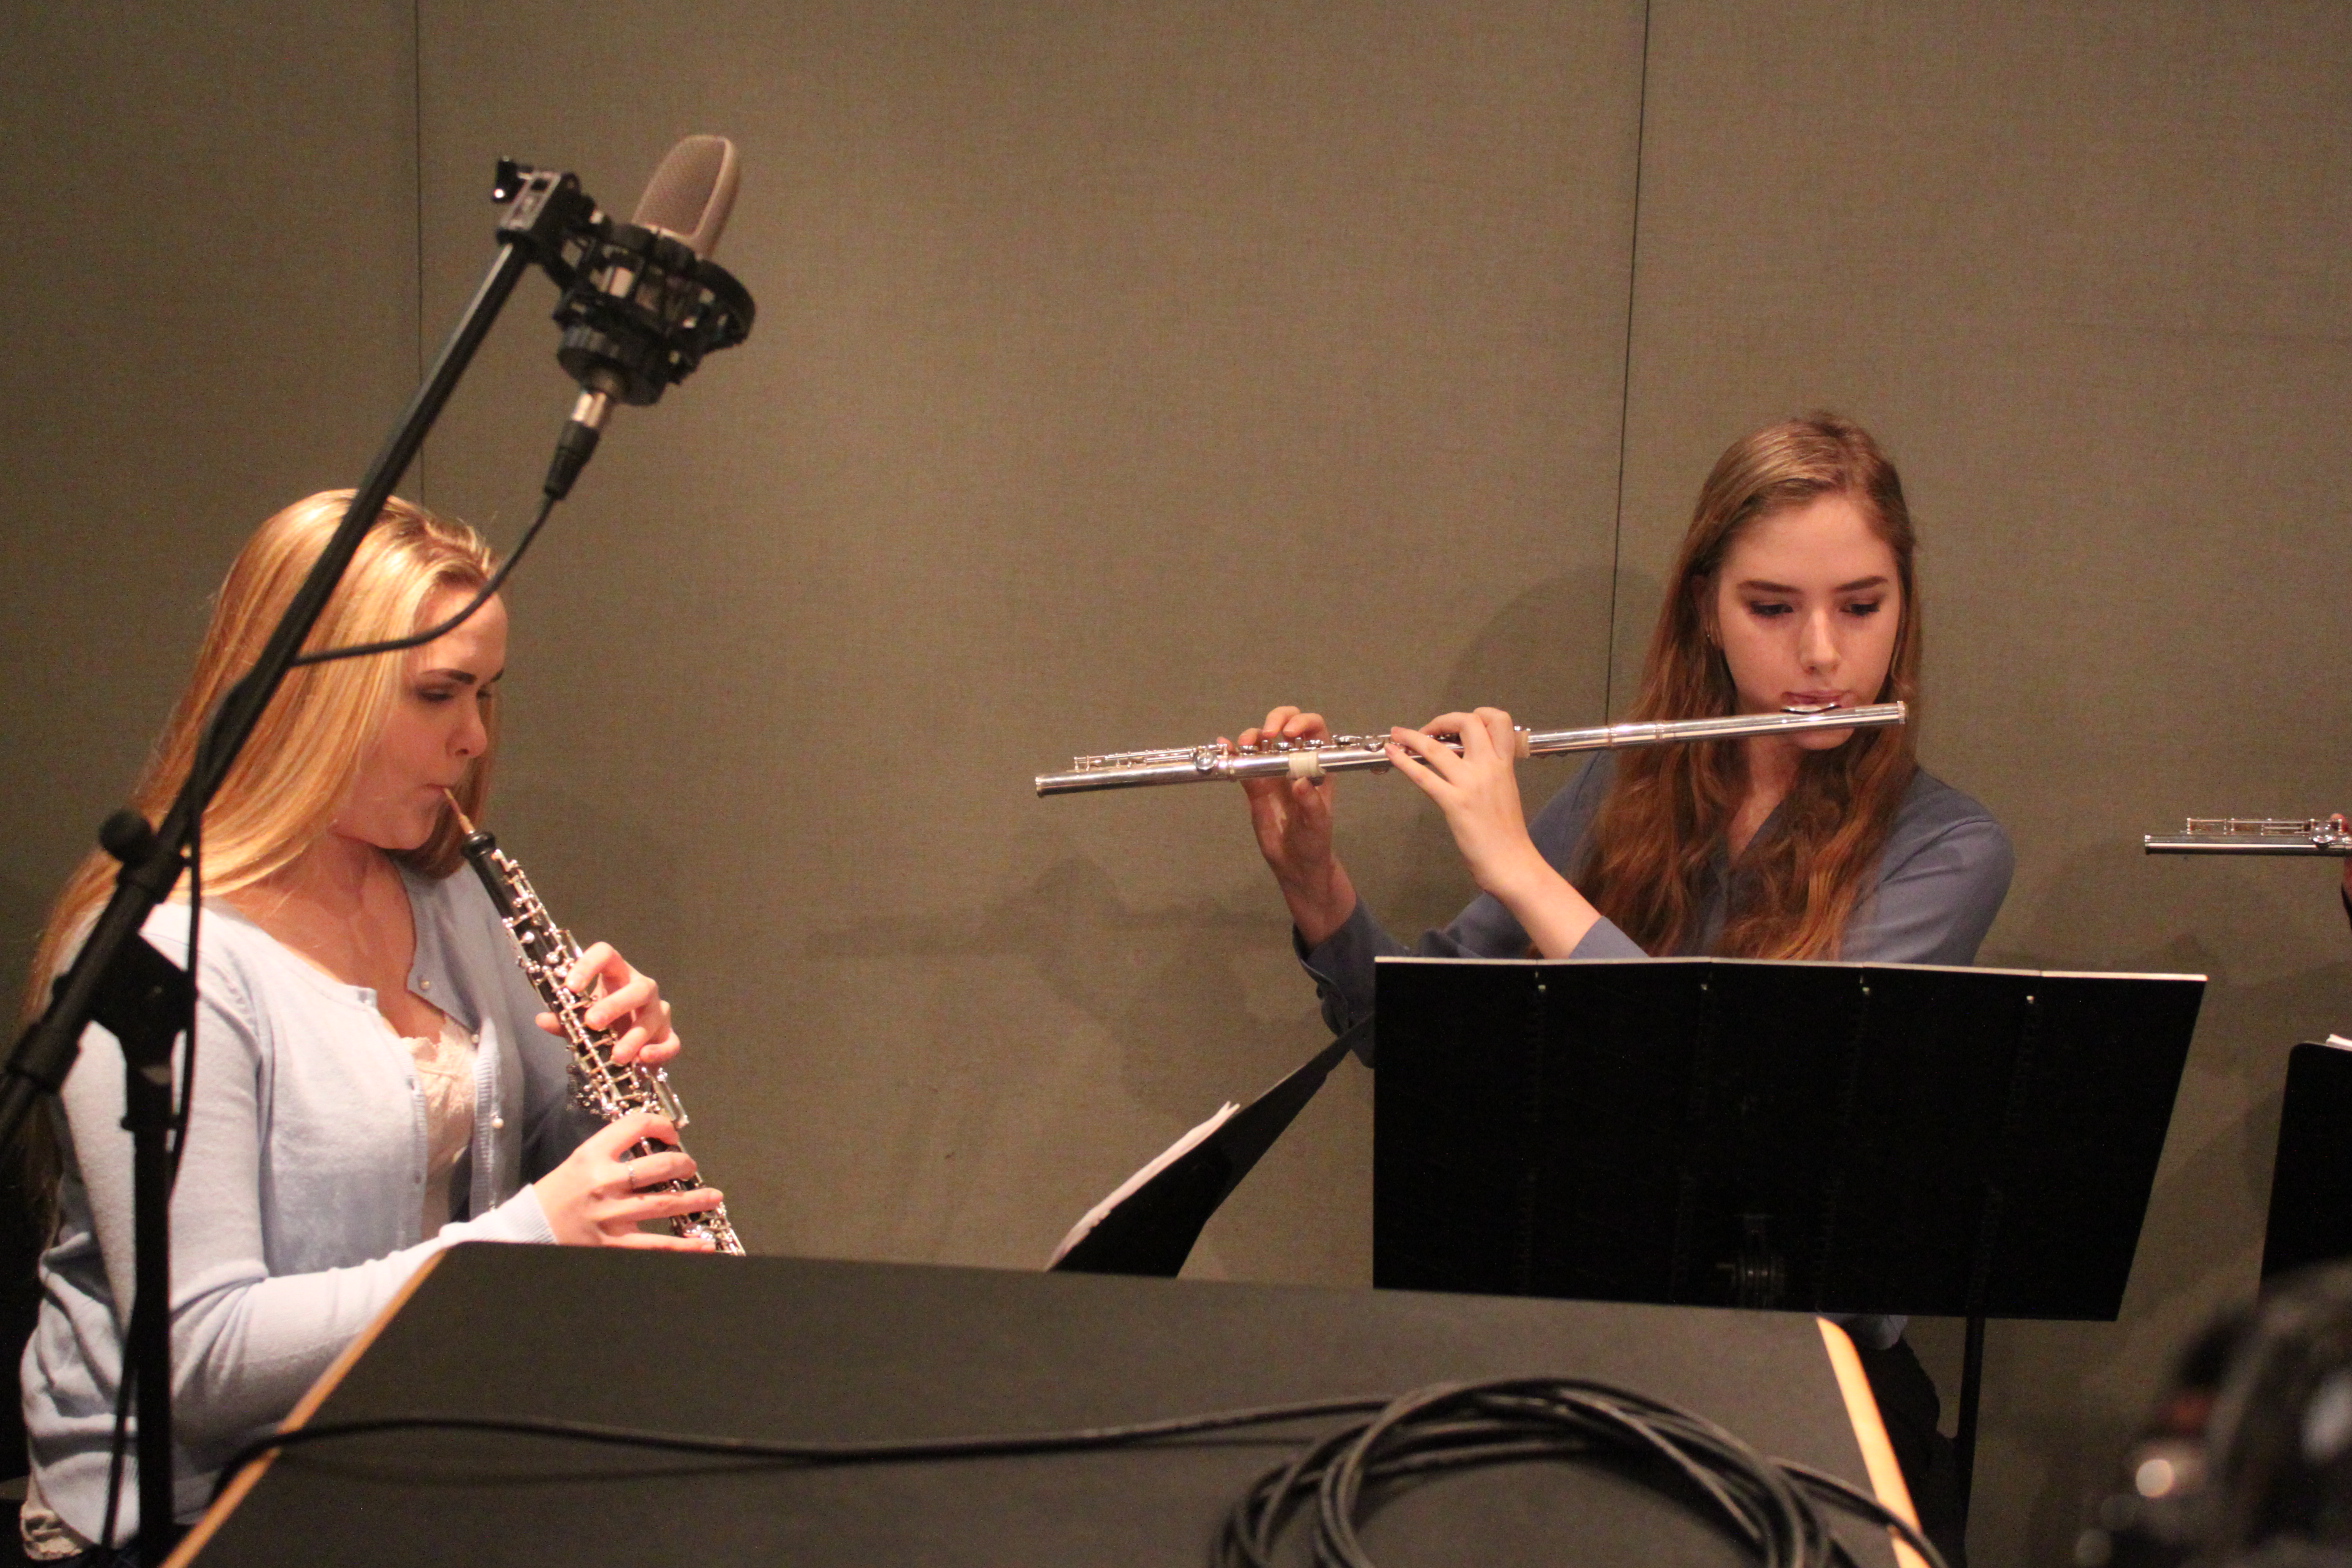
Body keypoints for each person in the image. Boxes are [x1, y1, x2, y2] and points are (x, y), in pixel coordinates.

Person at [1237, 412, 2010, 1564]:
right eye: (1771, 606)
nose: (1820, 655)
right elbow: (1424, 1036)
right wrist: (1316, 881)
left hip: (1804, 1376)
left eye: (1861, 605)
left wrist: (1515, 864)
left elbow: (1738, 1086)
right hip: (1590, 1340)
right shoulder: (1624, 785)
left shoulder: (1947, 847)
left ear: (1904, 605)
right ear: (1707, 604)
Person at [12, 493, 724, 1562]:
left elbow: (550, 1171)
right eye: (438, 692)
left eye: (486, 690)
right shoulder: (164, 957)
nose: (475, 734)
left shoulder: (448, 893)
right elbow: (199, 1360)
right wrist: (534, 1232)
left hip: (404, 1460)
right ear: (309, 695)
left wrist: (603, 1085)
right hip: (188, 1510)